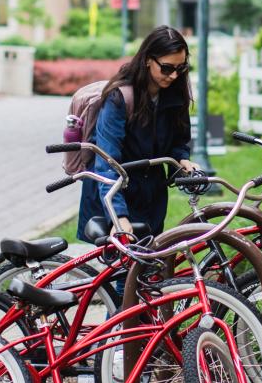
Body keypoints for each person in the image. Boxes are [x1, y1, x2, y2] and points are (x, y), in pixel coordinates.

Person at [77, 25, 201, 239]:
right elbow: (107, 163)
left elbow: (179, 141)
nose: (173, 75)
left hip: (151, 196)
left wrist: (182, 159)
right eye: (166, 68)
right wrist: (118, 215)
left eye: (180, 68)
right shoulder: (119, 98)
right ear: (147, 60)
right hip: (113, 196)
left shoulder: (175, 95)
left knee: (149, 266)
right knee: (116, 270)